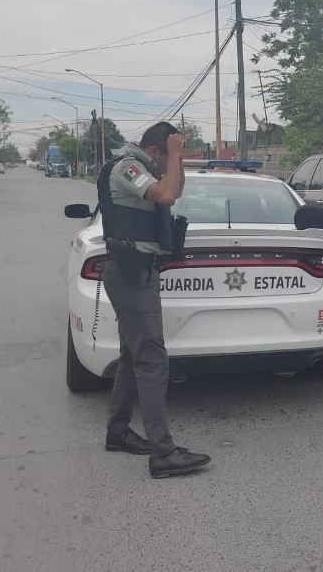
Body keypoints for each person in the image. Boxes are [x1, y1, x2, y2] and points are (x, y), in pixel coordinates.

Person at [97, 121, 211, 479]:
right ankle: (163, 453)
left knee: (133, 357)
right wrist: (177, 155)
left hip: (139, 272)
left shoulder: (147, 170)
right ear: (156, 149)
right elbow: (165, 196)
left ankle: (117, 432)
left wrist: (176, 158)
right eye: (169, 154)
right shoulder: (128, 167)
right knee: (152, 360)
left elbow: (172, 190)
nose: (168, 166)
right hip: (131, 274)